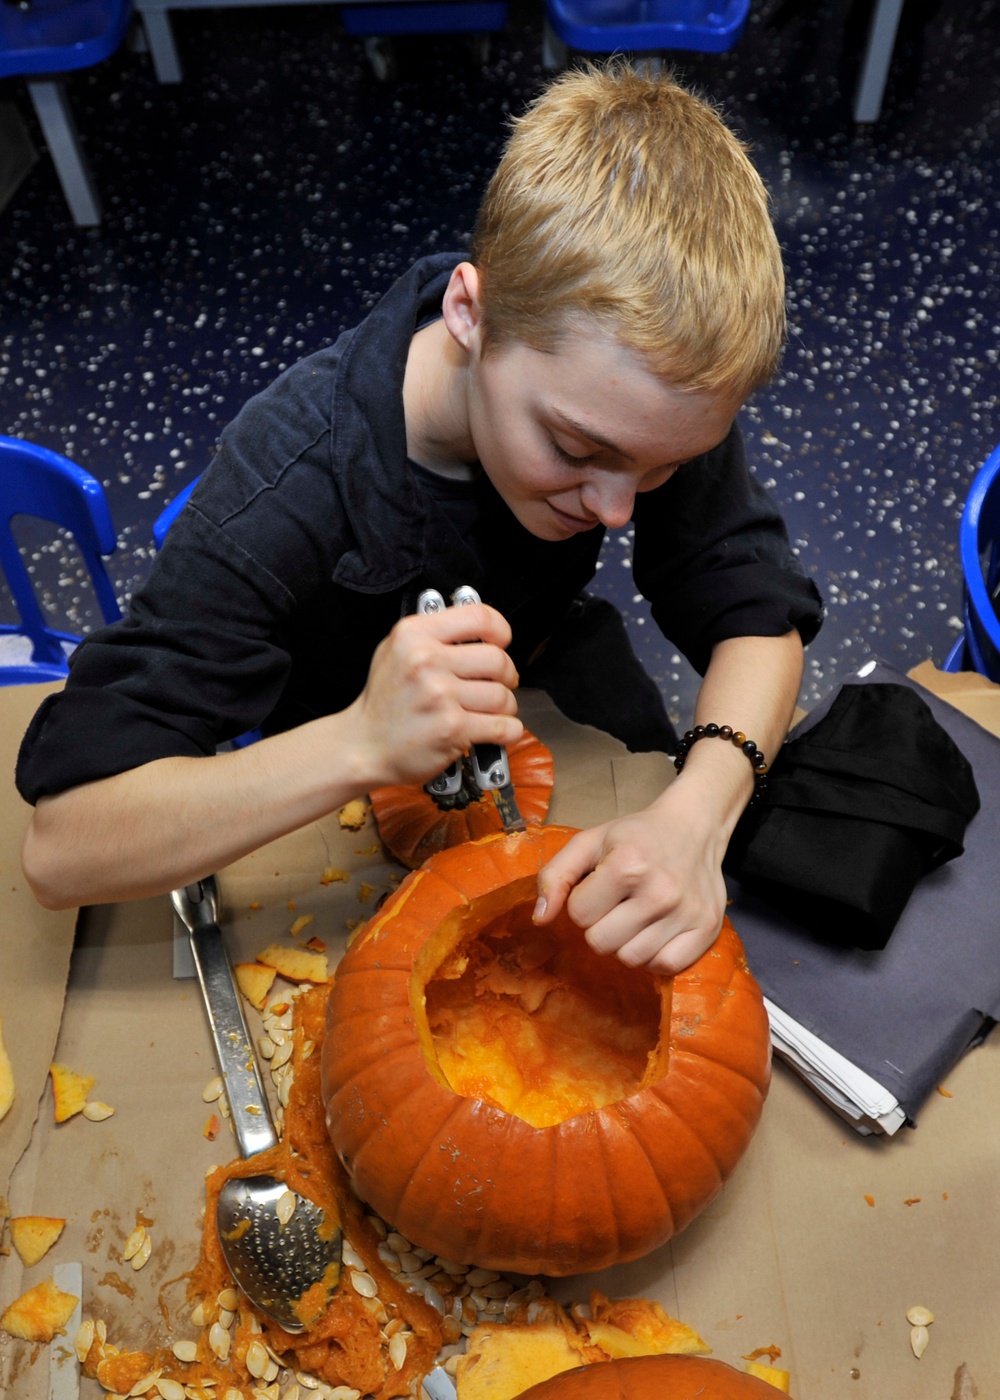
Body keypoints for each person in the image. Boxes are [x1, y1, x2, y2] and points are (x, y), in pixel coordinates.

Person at [17, 63, 822, 975]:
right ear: (470, 314)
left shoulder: (639, 391)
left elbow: (758, 618)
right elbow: (61, 845)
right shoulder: (284, 487)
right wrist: (359, 740)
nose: (617, 508)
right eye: (575, 451)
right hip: (324, 747)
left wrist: (697, 813)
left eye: (663, 468)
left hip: (543, 672)